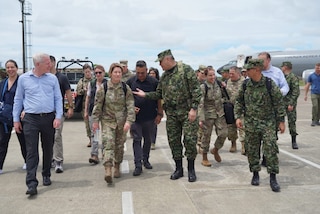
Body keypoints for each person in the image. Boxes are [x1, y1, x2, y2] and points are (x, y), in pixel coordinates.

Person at [133, 49, 202, 182]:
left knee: (189, 140)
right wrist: (145, 95)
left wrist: (194, 109)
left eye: (160, 62)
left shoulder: (185, 70)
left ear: (168, 59)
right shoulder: (164, 77)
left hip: (187, 113)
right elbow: (159, 94)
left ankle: (191, 169)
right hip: (172, 115)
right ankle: (179, 169)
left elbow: (196, 91)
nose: (160, 65)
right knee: (174, 141)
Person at [13, 53, 63, 196]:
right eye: (47, 63)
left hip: (48, 118)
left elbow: (58, 99)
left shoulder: (52, 79)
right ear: (38, 64)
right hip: (30, 119)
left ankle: (46, 174)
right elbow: (18, 99)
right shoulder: (23, 79)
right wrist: (16, 120)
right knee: (31, 151)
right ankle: (31, 183)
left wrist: (58, 117)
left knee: (48, 149)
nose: (50, 65)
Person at [234, 59, 285, 192]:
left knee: (270, 149)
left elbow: (278, 102)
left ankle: (273, 178)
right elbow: (239, 101)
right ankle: (255, 174)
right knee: (252, 150)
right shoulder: (245, 85)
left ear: (257, 69)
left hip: (268, 123)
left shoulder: (269, 84)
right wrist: (238, 117)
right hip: (251, 123)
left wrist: (281, 121)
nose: (246, 72)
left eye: (248, 70)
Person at [92, 63, 135, 185]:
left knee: (119, 146)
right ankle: (108, 170)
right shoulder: (104, 88)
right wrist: (95, 120)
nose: (117, 74)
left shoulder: (126, 88)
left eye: (119, 72)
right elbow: (98, 105)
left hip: (121, 123)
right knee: (108, 144)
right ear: (110, 74)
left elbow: (130, 105)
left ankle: (117, 166)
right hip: (107, 122)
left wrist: (129, 121)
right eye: (115, 72)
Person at [126, 60, 163, 176]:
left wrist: (160, 114)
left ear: (146, 71)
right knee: (137, 140)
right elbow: (125, 98)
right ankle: (138, 164)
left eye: (142, 72)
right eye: (138, 73)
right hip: (135, 118)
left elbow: (159, 98)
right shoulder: (131, 81)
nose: (140, 75)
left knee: (147, 140)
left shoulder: (154, 82)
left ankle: (145, 159)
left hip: (150, 117)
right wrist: (131, 108)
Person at [0, 60, 27, 174]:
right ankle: (0, 166)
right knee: (2, 141)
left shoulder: (22, 82)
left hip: (19, 116)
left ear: (17, 68)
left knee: (23, 140)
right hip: (4, 117)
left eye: (12, 67)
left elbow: (27, 97)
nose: (10, 69)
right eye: (8, 67)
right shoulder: (3, 83)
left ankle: (27, 161)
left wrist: (25, 110)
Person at [198, 66, 228, 167]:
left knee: (223, 133)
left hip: (219, 113)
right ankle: (205, 157)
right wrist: (201, 119)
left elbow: (224, 96)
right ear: (205, 76)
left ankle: (215, 149)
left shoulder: (219, 84)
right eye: (210, 75)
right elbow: (201, 104)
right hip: (208, 114)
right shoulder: (203, 87)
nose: (212, 77)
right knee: (206, 136)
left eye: (214, 75)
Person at [50, 55, 74, 173]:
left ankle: (58, 160)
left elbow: (68, 93)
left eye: (49, 62)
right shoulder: (43, 77)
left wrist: (70, 107)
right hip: (45, 112)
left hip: (58, 112)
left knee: (57, 135)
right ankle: (49, 159)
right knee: (47, 136)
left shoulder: (62, 78)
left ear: (53, 63)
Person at [84, 65, 107, 165]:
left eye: (100, 73)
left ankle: (106, 154)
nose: (98, 74)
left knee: (106, 133)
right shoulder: (91, 83)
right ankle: (94, 154)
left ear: (104, 73)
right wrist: (85, 111)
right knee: (95, 133)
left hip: (106, 111)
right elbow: (88, 98)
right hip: (93, 112)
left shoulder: (108, 84)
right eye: (96, 73)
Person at [226, 66, 245, 154]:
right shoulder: (228, 82)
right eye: (229, 73)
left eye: (232, 73)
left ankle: (244, 145)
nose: (230, 75)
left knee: (242, 127)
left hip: (241, 108)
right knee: (231, 128)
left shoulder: (244, 82)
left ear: (238, 73)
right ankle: (233, 144)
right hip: (231, 108)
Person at [280, 61, 300, 149]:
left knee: (291, 122)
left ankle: (294, 141)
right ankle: (274, 139)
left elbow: (296, 92)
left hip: (289, 104)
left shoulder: (293, 77)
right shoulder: (281, 77)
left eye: (282, 67)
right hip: (280, 103)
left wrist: (291, 103)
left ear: (285, 67)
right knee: (277, 121)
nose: (281, 68)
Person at [76, 64, 93, 147]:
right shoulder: (82, 81)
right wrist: (84, 90)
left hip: (94, 105)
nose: (88, 73)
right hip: (85, 106)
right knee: (87, 125)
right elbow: (78, 91)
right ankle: (90, 139)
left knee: (94, 124)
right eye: (86, 72)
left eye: (89, 72)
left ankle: (95, 139)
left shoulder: (95, 80)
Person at [148, 67, 161, 150]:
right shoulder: (147, 82)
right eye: (150, 73)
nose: (152, 75)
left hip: (155, 106)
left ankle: (153, 142)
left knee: (154, 125)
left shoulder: (158, 84)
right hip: (147, 106)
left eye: (153, 73)